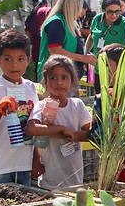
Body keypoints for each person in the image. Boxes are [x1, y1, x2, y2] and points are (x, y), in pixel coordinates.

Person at [0, 29, 40, 185]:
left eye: (20, 59)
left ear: (28, 60)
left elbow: (34, 125)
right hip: (0, 167)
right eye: (8, 59)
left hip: (24, 165)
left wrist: (36, 158)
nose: (14, 65)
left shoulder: (30, 87)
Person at [26, 56, 91, 190]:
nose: (59, 82)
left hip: (75, 180)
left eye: (64, 77)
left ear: (72, 81)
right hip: (49, 181)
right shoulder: (42, 106)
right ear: (45, 82)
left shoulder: (77, 105)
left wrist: (69, 135)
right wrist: (60, 129)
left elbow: (89, 133)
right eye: (53, 78)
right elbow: (32, 129)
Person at [37, 0, 96, 78]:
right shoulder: (56, 22)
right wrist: (82, 58)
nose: (82, 12)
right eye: (80, 8)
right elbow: (55, 51)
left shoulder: (68, 22)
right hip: (54, 76)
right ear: (72, 7)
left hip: (67, 75)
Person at [24, 0, 51, 80]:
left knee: (40, 78)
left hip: (37, 52)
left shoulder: (30, 18)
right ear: (46, 3)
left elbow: (29, 36)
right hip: (49, 50)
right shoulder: (46, 11)